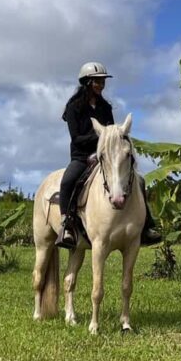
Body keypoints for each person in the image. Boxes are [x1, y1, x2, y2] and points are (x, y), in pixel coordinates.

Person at [56, 61, 161, 249]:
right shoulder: (74, 107)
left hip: (107, 156)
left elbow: (112, 133)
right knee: (67, 181)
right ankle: (67, 225)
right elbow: (76, 138)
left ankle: (146, 226)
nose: (101, 85)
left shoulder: (105, 107)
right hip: (82, 156)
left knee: (139, 181)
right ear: (87, 82)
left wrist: (111, 139)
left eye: (102, 81)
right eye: (97, 81)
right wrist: (101, 136)